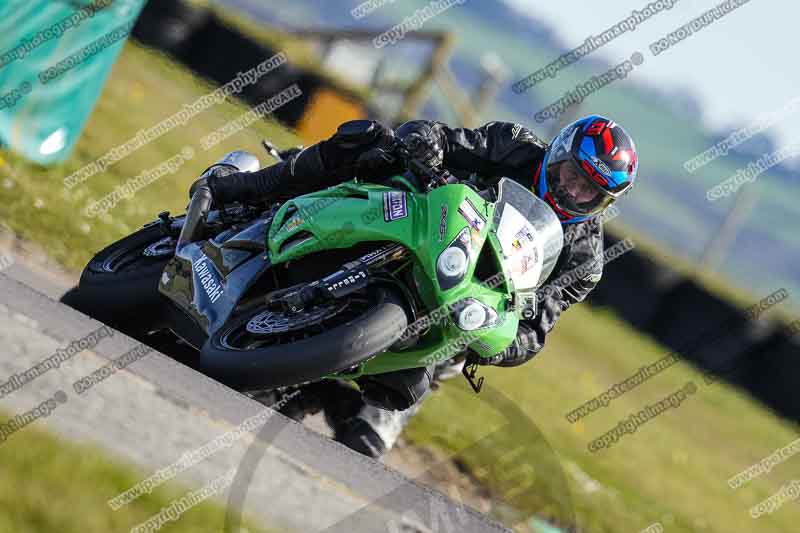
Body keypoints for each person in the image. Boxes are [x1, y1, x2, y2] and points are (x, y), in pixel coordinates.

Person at [206, 115, 639, 458]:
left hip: (461, 295)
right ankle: (251, 189)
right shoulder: (514, 146)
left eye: (589, 192)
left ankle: (351, 392)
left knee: (453, 354)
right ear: (557, 153)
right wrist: (425, 141)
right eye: (570, 174)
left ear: (603, 204)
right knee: (371, 141)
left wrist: (498, 342)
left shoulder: (584, 259)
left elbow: (535, 330)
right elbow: (445, 139)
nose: (571, 190)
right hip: (426, 217)